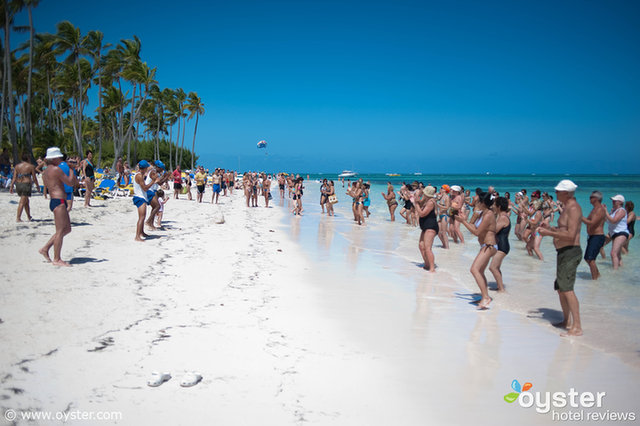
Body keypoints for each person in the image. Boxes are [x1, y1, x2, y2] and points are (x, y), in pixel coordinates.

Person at [538, 179, 583, 336]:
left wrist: (548, 233)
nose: (555, 193)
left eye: (557, 191)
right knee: (561, 288)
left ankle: (577, 327)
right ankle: (566, 321)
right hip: (563, 252)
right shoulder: (566, 208)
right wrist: (550, 227)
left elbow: (571, 236)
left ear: (566, 193)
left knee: (567, 289)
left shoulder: (574, 208)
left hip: (570, 251)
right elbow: (564, 229)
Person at [38, 147, 78, 266]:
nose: (61, 159)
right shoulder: (56, 169)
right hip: (59, 200)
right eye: (59, 157)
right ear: (54, 158)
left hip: (56, 200)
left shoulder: (46, 171)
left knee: (67, 229)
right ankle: (57, 259)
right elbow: (70, 182)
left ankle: (45, 248)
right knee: (60, 231)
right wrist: (71, 170)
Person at [457, 192, 497, 310]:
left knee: (474, 269)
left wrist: (463, 222)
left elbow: (477, 233)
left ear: (483, 203)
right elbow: (474, 228)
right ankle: (485, 295)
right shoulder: (483, 213)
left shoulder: (489, 214)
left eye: (478, 201)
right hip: (485, 245)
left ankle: (486, 297)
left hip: (489, 245)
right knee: (480, 271)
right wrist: (465, 219)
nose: (476, 202)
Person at [412, 185, 438, 272]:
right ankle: (427, 264)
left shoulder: (431, 202)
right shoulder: (427, 200)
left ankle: (432, 268)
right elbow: (420, 202)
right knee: (421, 246)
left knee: (427, 248)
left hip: (430, 226)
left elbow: (422, 214)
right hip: (425, 226)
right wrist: (415, 198)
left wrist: (415, 204)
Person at [581, 191, 606, 279]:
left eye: (591, 197)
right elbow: (587, 221)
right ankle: (597, 276)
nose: (589, 198)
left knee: (590, 259)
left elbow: (591, 223)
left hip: (597, 236)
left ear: (596, 199)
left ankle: (594, 282)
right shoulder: (594, 209)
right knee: (588, 259)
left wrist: (579, 216)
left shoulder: (600, 209)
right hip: (592, 236)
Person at [133, 160, 160, 241]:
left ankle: (141, 232)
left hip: (141, 197)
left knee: (142, 217)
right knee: (141, 217)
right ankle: (137, 236)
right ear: (144, 168)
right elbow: (145, 188)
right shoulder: (139, 176)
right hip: (140, 197)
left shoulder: (140, 175)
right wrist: (153, 181)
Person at [9, 153, 41, 222]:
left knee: (26, 201)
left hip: (18, 184)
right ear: (28, 158)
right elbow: (34, 178)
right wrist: (38, 186)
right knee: (22, 201)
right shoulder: (31, 166)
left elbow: (14, 177)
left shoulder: (17, 166)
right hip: (26, 184)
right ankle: (18, 218)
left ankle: (29, 216)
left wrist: (11, 186)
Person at [488, 197, 511, 292]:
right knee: (496, 267)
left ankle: (501, 289)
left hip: (502, 246)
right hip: (502, 245)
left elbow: (494, 230)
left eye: (494, 205)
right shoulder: (502, 216)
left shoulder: (503, 218)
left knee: (492, 267)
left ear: (499, 206)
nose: (493, 206)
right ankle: (499, 286)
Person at [603, 194, 628, 270]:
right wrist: (604, 212)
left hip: (621, 233)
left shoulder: (621, 210)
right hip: (614, 234)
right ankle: (620, 271)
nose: (613, 202)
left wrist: (606, 211)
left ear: (620, 202)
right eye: (613, 201)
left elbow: (614, 221)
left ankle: (615, 271)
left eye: (615, 201)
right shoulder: (614, 210)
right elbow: (607, 220)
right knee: (618, 255)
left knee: (613, 253)